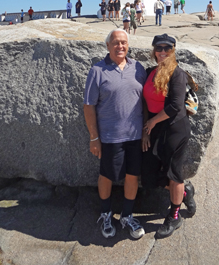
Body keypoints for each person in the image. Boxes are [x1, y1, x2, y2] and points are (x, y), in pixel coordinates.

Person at [83, 30, 147, 239]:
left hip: (136, 136)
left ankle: (127, 216)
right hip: (110, 136)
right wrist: (94, 137)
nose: (120, 46)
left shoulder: (138, 68)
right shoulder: (97, 71)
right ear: (108, 46)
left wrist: (146, 130)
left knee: (132, 176)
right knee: (107, 175)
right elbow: (89, 106)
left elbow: (145, 102)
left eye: (124, 42)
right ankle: (105, 213)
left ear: (128, 45)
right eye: (116, 43)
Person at [142, 33, 195, 239]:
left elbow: (174, 106)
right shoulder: (150, 72)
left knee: (174, 172)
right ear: (153, 51)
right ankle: (184, 191)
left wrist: (152, 122)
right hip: (154, 127)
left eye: (167, 48)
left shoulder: (177, 73)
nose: (162, 52)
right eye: (159, 48)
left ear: (173, 51)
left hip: (174, 128)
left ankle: (174, 215)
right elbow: (144, 103)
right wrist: (146, 130)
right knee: (148, 172)